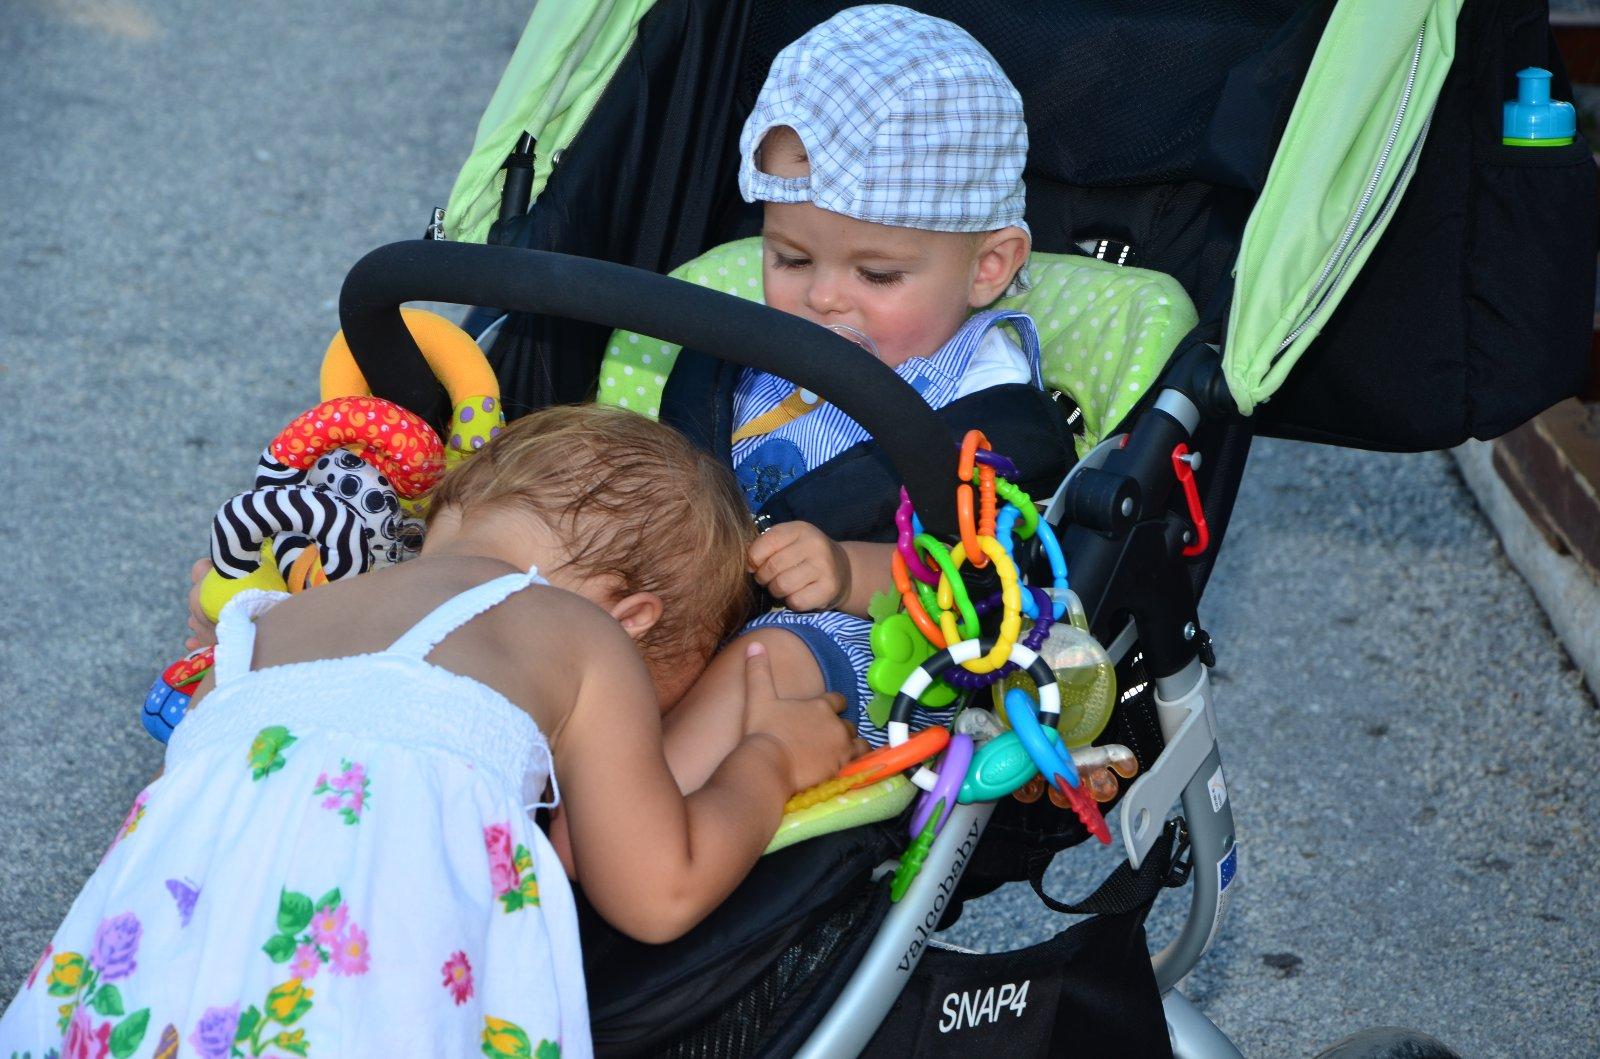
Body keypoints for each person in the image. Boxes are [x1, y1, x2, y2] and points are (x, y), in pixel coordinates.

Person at [0, 405, 858, 1059]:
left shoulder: (278, 616)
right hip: (340, 1002)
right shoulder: (583, 635)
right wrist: (769, 760)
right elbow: (656, 892)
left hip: (135, 977)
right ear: (633, 619)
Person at [663, 5, 1041, 788]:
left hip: (868, 636)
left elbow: (985, 575)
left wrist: (846, 569)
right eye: (791, 258)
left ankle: (640, 815)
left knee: (769, 658)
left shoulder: (984, 399)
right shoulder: (744, 344)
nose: (824, 297)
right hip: (700, 589)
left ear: (988, 267)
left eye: (876, 274)